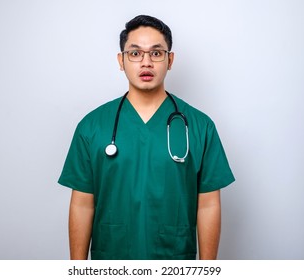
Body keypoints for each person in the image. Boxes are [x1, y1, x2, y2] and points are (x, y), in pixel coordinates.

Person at [58, 15, 235, 260]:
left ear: (170, 60)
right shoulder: (92, 126)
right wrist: (77, 270)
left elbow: (208, 205)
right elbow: (82, 204)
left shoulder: (199, 126)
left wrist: (207, 270)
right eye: (135, 53)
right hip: (112, 259)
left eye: (156, 53)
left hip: (174, 261)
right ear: (121, 61)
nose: (146, 62)